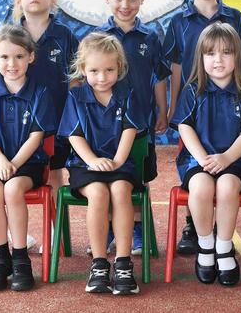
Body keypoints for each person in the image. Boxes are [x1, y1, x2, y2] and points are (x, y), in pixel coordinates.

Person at [164, 0, 241, 254]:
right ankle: (195, 225)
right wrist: (174, 105)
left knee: (226, 172)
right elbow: (176, 68)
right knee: (197, 166)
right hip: (193, 109)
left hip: (228, 108)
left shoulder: (235, 18)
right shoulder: (179, 22)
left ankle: (221, 233)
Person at [170, 22, 241, 286]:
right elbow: (185, 128)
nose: (218, 60)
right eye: (211, 54)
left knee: (226, 186)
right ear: (201, 58)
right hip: (197, 160)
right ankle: (205, 245)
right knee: (200, 187)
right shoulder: (192, 91)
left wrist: (225, 158)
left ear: (237, 57)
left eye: (226, 53)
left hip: (234, 162)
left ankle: (224, 247)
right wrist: (202, 159)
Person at [0, 24, 56, 291]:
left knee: (14, 188)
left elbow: (36, 138)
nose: (12, 63)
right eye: (5, 57)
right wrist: (1, 163)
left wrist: (15, 164)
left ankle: (20, 259)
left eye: (19, 56)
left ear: (31, 56)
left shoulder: (40, 93)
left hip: (29, 163)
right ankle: (0, 258)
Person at [58, 32, 145, 294]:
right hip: (85, 165)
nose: (102, 76)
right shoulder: (76, 97)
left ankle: (123, 263)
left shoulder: (127, 94)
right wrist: (93, 161)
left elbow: (130, 130)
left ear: (119, 67)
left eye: (109, 69)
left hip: (121, 165)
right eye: (94, 70)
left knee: (119, 191)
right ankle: (98, 264)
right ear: (83, 69)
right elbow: (74, 136)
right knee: (97, 193)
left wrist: (117, 160)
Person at [97, 0, 171, 256]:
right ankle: (108, 232)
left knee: (135, 179)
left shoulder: (150, 38)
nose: (125, 5)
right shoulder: (98, 37)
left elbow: (159, 78)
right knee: (106, 176)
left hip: (140, 123)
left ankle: (136, 230)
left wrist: (163, 112)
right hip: (106, 126)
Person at [10, 0, 79, 252]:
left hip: (57, 123)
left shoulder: (64, 35)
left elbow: (76, 79)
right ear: (18, 0)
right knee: (14, 178)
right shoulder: (11, 34)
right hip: (18, 126)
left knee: (53, 177)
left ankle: (54, 233)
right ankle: (18, 235)